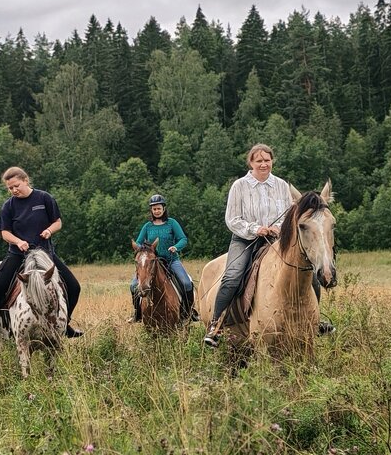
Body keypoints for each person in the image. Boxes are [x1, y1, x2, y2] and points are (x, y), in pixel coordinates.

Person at [203, 143, 333, 348]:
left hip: (276, 239)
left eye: (267, 160)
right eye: (259, 160)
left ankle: (315, 322)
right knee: (233, 275)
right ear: (251, 163)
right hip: (245, 238)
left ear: (272, 161)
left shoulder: (281, 185)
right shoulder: (239, 186)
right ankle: (216, 325)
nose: (264, 164)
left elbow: (293, 216)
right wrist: (256, 229)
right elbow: (232, 219)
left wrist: (277, 229)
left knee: (308, 272)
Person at [0, 167, 83, 339]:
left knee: (74, 287)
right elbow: (4, 233)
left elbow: (58, 222)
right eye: (10, 188)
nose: (14, 190)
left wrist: (49, 231)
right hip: (18, 255)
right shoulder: (8, 206)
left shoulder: (44, 198)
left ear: (26, 180)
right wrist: (18, 241)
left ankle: (65, 324)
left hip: (44, 254)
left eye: (16, 185)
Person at [129, 193, 199, 323]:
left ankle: (189, 312)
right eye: (154, 209)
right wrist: (142, 250)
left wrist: (176, 247)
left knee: (186, 283)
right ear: (151, 210)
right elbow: (139, 243)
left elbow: (183, 239)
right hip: (151, 262)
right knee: (133, 285)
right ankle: (137, 314)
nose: (156, 211)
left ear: (164, 209)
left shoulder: (172, 223)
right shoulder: (147, 226)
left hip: (171, 260)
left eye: (159, 208)